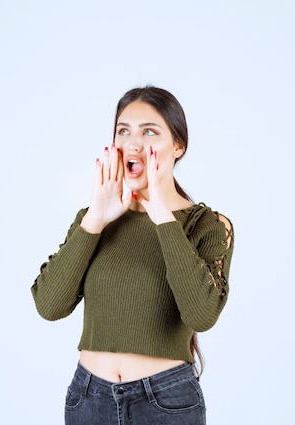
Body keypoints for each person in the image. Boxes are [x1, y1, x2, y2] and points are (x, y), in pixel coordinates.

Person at [31, 86, 234, 425]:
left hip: (166, 403)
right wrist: (95, 218)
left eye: (150, 132)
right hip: (89, 399)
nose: (133, 143)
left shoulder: (207, 226)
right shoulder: (94, 218)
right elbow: (49, 305)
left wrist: (163, 219)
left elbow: (201, 316)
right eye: (123, 131)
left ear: (178, 147)